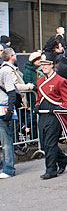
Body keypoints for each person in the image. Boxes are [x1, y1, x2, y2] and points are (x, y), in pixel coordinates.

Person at [33, 58, 67, 179]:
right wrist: (37, 105)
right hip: (43, 113)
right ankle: (62, 159)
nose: (43, 67)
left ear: (52, 65)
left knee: (50, 142)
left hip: (53, 114)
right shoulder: (40, 82)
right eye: (42, 65)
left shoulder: (60, 81)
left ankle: (51, 170)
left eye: (46, 65)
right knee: (44, 143)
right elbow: (40, 97)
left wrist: (59, 108)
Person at [0, 48, 18, 179]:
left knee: (6, 140)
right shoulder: (4, 70)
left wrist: (10, 109)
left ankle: (9, 168)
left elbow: (11, 91)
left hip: (3, 108)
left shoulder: (5, 71)